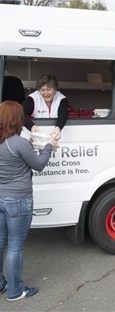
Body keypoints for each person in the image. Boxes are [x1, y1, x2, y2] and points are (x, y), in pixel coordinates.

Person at [0, 100, 59, 301]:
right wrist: (49, 146)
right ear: (16, 120)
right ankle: (16, 291)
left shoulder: (9, 142)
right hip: (18, 200)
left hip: (0, 197)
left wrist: (28, 147)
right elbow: (40, 164)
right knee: (15, 245)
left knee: (0, 243)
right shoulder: (19, 142)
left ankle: (1, 284)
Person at [21, 74, 68, 140]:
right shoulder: (34, 98)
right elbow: (19, 113)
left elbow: (63, 115)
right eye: (42, 90)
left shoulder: (61, 99)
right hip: (38, 137)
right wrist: (32, 126)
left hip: (55, 137)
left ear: (55, 88)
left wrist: (58, 128)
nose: (46, 93)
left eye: (49, 89)